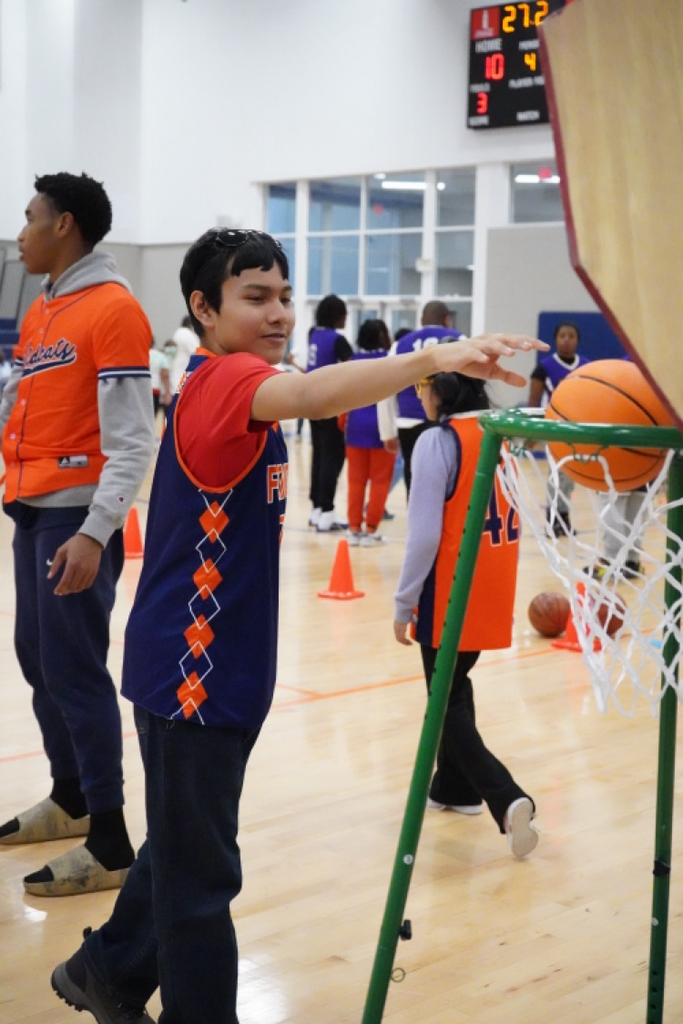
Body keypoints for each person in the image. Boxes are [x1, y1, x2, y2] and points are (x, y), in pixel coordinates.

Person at [49, 226, 548, 1024]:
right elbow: (315, 395)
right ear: (203, 308)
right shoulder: (224, 381)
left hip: (226, 670)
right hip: (191, 673)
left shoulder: (235, 380)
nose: (277, 312)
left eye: (283, 295)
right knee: (202, 881)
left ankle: (104, 969)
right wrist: (433, 357)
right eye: (255, 298)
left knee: (187, 845)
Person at [0, 172, 155, 896]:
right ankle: (71, 797)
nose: (20, 231)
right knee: (37, 659)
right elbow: (22, 402)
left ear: (64, 225)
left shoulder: (114, 310)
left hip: (76, 520)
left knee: (75, 671)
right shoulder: (45, 308)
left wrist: (97, 532)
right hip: (32, 509)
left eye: (29, 218)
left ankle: (112, 838)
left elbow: (134, 441)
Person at [393, 370, 539, 859]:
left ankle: (506, 796)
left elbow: (424, 535)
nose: (418, 395)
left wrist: (403, 600)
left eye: (420, 386)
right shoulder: (502, 433)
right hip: (493, 583)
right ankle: (454, 787)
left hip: (448, 590)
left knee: (444, 702)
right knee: (455, 685)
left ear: (441, 388)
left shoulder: (438, 441)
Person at [377, 300, 463, 495]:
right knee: (448, 475)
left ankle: (415, 519)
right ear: (447, 320)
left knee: (413, 473)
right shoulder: (460, 340)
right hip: (448, 422)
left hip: (408, 422)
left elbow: (385, 389)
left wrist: (387, 432)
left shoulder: (401, 344)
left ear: (421, 320)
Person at [528, 320, 589, 536]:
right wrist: (531, 430)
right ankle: (552, 521)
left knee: (569, 476)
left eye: (571, 336)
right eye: (562, 335)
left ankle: (563, 520)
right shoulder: (544, 367)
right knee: (556, 474)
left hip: (576, 427)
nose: (566, 339)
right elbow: (533, 400)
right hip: (553, 426)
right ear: (555, 340)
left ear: (577, 340)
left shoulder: (586, 365)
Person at [344, 319, 398, 546]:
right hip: (381, 427)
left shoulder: (352, 360)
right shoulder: (390, 360)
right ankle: (371, 529)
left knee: (355, 481)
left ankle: (354, 528)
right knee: (380, 481)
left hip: (355, 426)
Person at [306, 293, 353, 531]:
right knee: (332, 458)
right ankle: (327, 510)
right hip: (330, 405)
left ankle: (316, 507)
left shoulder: (313, 334)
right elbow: (351, 373)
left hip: (310, 403)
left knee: (319, 455)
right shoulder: (338, 340)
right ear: (337, 316)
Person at [167, 314, 199, 392]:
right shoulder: (186, 333)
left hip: (178, 370)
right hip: (184, 370)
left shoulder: (178, 332)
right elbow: (197, 352)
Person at [149, 339, 171, 426]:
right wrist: (168, 392)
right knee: (153, 416)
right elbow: (165, 376)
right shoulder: (161, 356)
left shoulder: (140, 355)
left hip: (141, 390)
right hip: (155, 389)